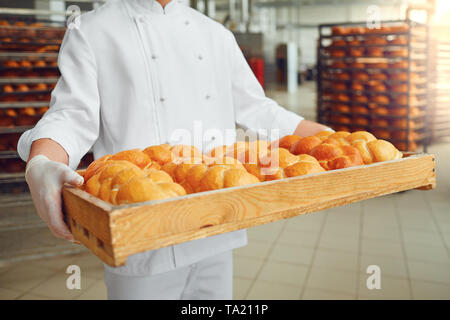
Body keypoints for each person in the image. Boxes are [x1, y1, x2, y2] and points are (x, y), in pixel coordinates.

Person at [18, 0, 330, 300]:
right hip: (141, 236)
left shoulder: (215, 34)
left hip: (216, 221)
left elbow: (259, 110)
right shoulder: (92, 29)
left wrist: (330, 137)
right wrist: (41, 162)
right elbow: (71, 116)